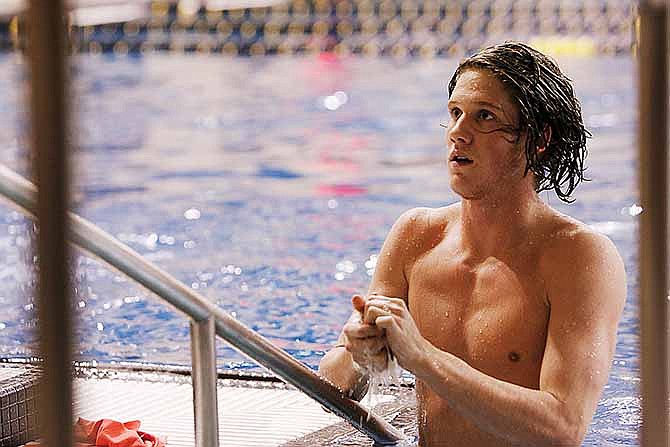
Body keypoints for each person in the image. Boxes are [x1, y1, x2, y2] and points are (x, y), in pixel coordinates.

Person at [318, 42, 626, 447]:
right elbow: (333, 387)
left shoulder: (579, 258)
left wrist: (421, 357)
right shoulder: (416, 236)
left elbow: (562, 427)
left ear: (537, 140)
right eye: (455, 113)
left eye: (485, 117)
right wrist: (360, 355)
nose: (459, 133)